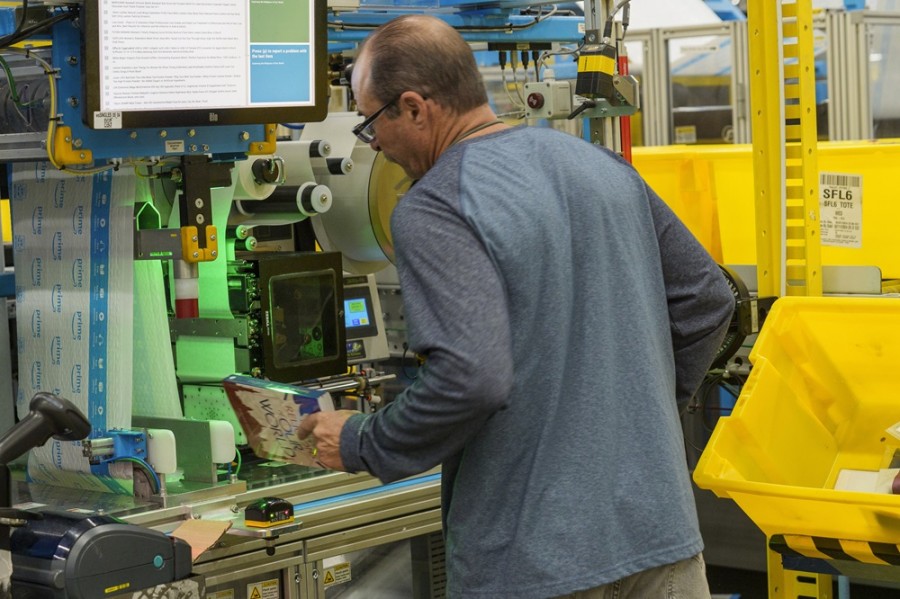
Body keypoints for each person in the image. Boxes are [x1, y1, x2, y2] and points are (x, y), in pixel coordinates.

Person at [298, 14, 735, 599]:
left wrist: (359, 441)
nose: (373, 143)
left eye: (372, 122)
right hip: (663, 541)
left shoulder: (434, 205)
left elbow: (470, 379)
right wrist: (628, 414)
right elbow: (708, 300)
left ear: (415, 108)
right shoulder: (602, 167)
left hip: (536, 562)